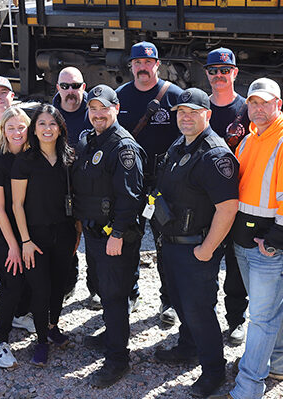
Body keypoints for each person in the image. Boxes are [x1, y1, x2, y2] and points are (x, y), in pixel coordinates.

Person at [226, 78, 283, 399]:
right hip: (249, 242)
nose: (258, 109)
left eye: (265, 103)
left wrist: (275, 240)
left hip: (271, 247)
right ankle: (276, 363)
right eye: (253, 102)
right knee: (269, 312)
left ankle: (247, 389)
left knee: (260, 319)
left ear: (279, 105)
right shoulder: (250, 140)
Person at [150, 88, 239, 397]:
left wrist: (208, 249)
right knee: (181, 302)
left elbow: (228, 208)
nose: (185, 118)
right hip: (173, 243)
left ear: (208, 115)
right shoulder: (180, 144)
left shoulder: (215, 155)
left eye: (193, 112)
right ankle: (187, 347)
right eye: (181, 112)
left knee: (200, 310)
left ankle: (214, 371)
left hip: (196, 248)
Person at [73, 85, 145, 387]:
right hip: (95, 232)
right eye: (93, 109)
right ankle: (112, 334)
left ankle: (118, 359)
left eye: (104, 108)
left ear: (116, 109)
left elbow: (131, 198)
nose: (98, 114)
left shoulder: (123, 147)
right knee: (105, 290)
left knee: (115, 296)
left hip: (114, 236)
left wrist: (117, 234)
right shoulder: (91, 139)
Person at [116, 40, 184, 325]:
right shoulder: (120, 96)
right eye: (137, 63)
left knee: (165, 244)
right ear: (131, 66)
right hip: (130, 183)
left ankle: (168, 301)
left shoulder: (174, 96)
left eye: (148, 62)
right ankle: (130, 295)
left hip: (163, 184)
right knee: (129, 240)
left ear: (157, 64)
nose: (143, 68)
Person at [12, 105, 78, 366]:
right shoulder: (25, 161)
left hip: (63, 233)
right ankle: (40, 341)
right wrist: (25, 241)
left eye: (52, 123)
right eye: (42, 123)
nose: (47, 128)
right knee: (40, 289)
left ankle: (52, 328)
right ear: (34, 129)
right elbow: (17, 205)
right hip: (35, 237)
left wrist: (77, 234)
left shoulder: (70, 158)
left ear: (61, 128)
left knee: (59, 286)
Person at [203, 47, 250, 345]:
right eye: (213, 71)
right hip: (203, 201)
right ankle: (201, 320)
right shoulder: (197, 106)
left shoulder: (247, 110)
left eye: (225, 70)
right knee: (203, 262)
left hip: (238, 199)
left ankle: (236, 320)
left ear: (234, 73)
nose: (219, 76)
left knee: (235, 265)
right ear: (207, 74)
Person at [0, 106, 34, 369]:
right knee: (12, 281)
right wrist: (14, 246)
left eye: (21, 127)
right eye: (10, 127)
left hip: (30, 226)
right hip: (5, 230)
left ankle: (20, 314)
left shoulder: (34, 155)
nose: (17, 132)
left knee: (31, 278)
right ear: (2, 131)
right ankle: (0, 342)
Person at [53, 66, 94, 306]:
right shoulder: (48, 113)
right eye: (65, 86)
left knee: (96, 241)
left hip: (91, 187)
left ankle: (96, 288)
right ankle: (68, 284)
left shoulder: (95, 110)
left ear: (83, 87)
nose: (71, 91)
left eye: (76, 86)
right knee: (67, 240)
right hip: (60, 188)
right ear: (57, 87)